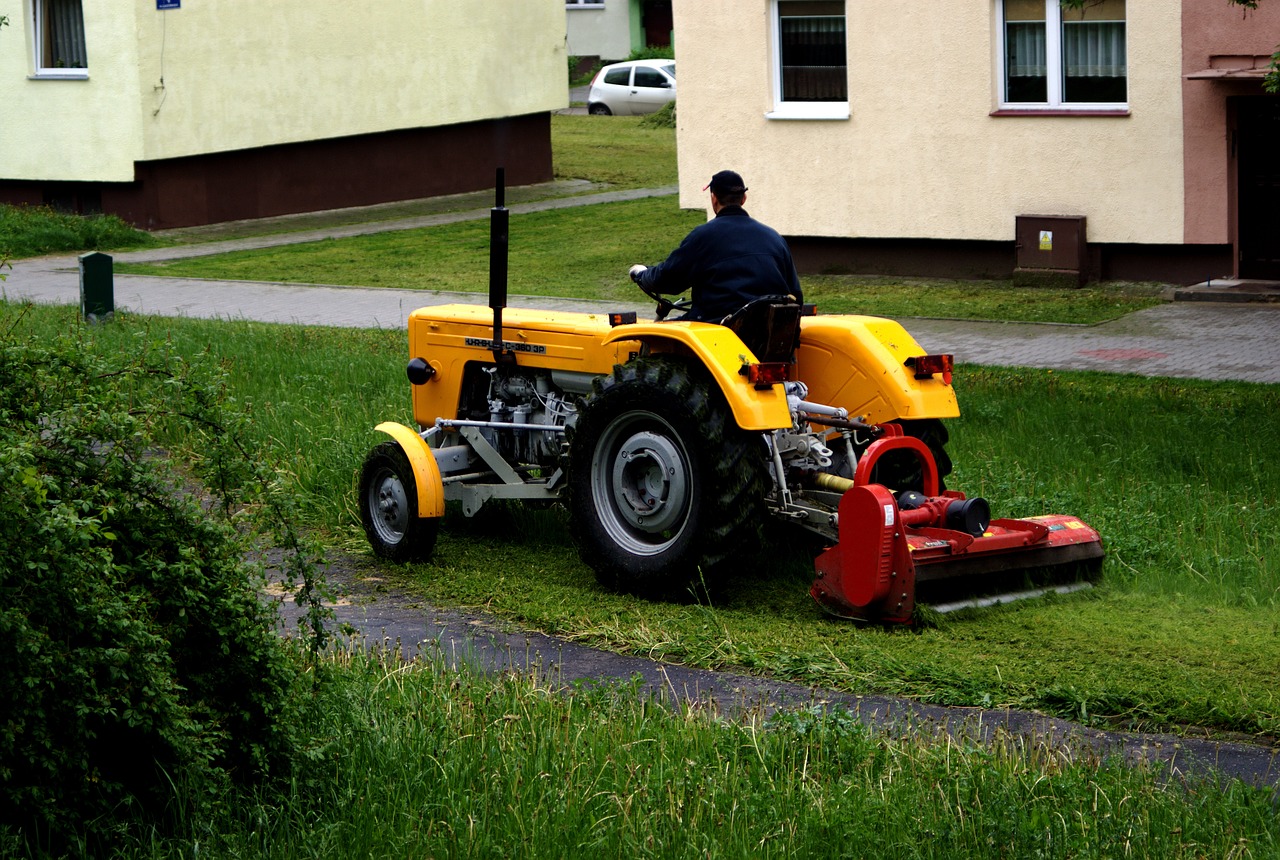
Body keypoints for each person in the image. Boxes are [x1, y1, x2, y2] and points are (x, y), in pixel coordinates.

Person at [629, 170, 803, 322]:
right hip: (767, 336)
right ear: (743, 198)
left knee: (661, 337)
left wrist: (641, 274)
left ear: (713, 198)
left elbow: (668, 279)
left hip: (717, 328)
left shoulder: (703, 237)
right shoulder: (774, 238)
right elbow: (796, 295)